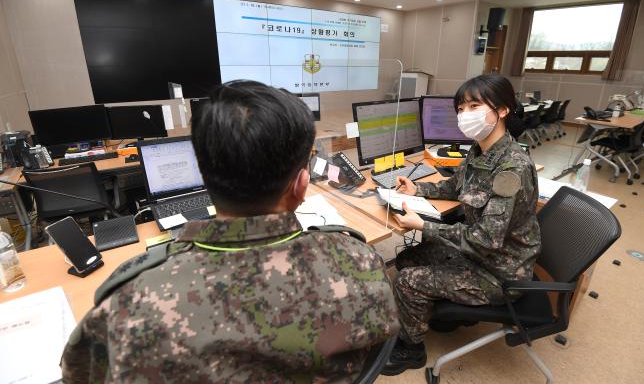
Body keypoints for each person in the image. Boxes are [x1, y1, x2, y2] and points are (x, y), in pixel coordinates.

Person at [61, 80, 400, 383]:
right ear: (301, 185)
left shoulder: (129, 306)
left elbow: (78, 373)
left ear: (204, 177)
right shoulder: (362, 262)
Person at [381, 74, 541, 376]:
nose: (465, 115)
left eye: (474, 105)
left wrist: (423, 226)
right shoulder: (480, 150)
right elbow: (457, 187)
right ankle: (446, 314)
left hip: (500, 271)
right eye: (461, 108)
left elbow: (486, 239)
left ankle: (411, 349)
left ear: (503, 109)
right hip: (480, 255)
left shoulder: (512, 168)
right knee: (407, 259)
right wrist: (419, 190)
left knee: (407, 281)